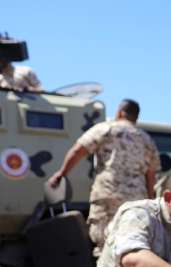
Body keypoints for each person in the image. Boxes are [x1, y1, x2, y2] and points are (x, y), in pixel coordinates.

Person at [49, 99, 160, 247]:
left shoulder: (105, 129)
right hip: (136, 198)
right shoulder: (147, 140)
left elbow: (77, 151)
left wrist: (62, 173)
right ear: (136, 117)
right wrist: (148, 199)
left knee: (104, 240)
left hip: (109, 193)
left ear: (119, 112)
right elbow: (150, 175)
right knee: (133, 239)